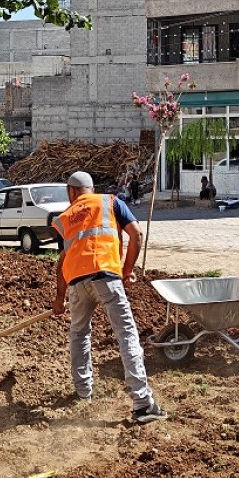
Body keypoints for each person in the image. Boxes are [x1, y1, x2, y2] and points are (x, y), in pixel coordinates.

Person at [53, 171, 167, 424]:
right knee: (126, 334)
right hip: (106, 276)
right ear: (90, 189)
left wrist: (59, 298)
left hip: (76, 284)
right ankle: (142, 403)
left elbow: (63, 260)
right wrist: (126, 271)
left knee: (79, 334)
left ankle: (83, 391)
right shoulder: (111, 201)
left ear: (71, 191)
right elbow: (136, 234)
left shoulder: (67, 216)